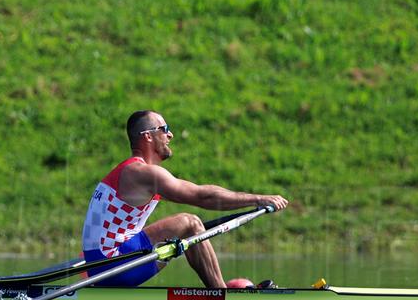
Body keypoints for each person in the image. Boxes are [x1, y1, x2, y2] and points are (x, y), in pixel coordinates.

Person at [81, 110, 288, 288]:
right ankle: (221, 294)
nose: (170, 134)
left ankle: (220, 290)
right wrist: (258, 199)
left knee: (184, 233)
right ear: (148, 136)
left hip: (104, 264)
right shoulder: (141, 173)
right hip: (113, 265)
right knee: (190, 223)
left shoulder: (130, 171)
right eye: (164, 128)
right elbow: (203, 196)